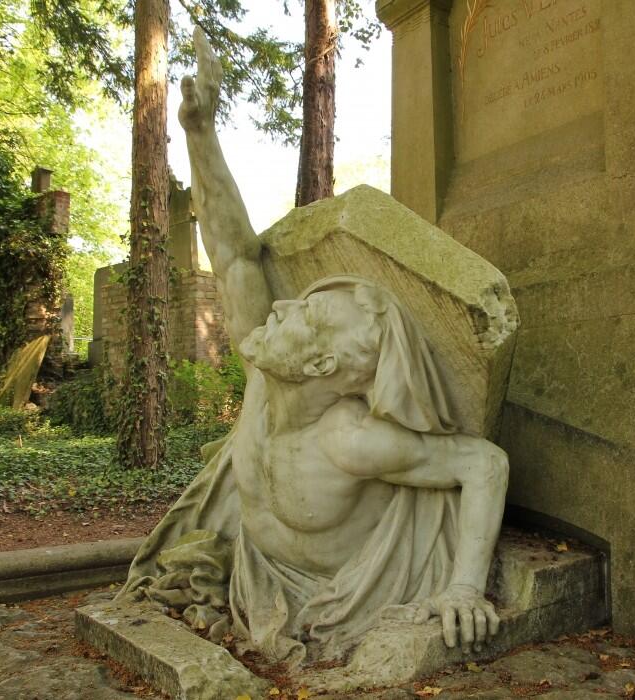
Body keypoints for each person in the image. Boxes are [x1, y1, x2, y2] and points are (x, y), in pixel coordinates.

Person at [117, 30, 509, 666]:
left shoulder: (349, 440)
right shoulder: (262, 377)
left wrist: (464, 587)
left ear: (322, 364)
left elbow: (483, 464)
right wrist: (199, 131)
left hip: (327, 599)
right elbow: (236, 251)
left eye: (307, 312)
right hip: (255, 573)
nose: (285, 303)